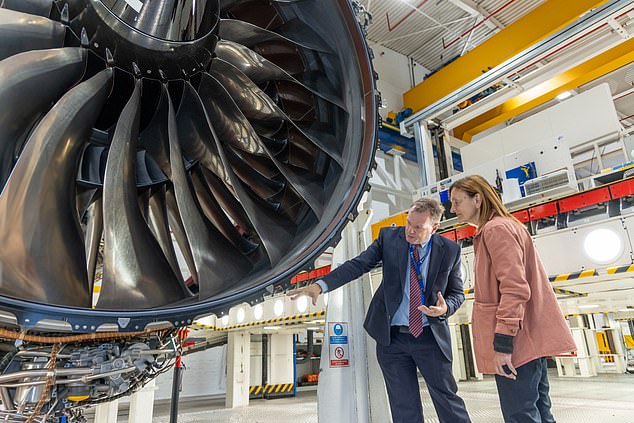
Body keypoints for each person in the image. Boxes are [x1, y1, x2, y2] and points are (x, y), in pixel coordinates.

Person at [289, 198, 471, 423]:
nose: (410, 231)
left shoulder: (450, 250)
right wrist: (320, 285)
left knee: (447, 401)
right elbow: (358, 264)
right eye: (408, 223)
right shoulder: (389, 238)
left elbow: (457, 294)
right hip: (393, 339)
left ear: (434, 228)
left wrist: (445, 308)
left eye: (418, 227)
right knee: (403, 407)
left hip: (430, 337)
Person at [449, 175, 576, 423]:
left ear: (477, 199)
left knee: (520, 415)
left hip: (517, 343)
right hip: (528, 339)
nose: (453, 210)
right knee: (539, 410)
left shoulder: (496, 230)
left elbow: (515, 287)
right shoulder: (507, 226)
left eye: (457, 202)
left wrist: (503, 343)